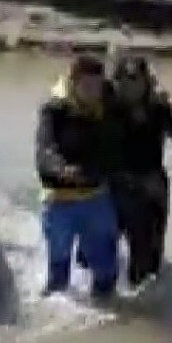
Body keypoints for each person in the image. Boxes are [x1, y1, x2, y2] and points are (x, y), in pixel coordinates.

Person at [100, 55, 172, 290]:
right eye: (124, 81)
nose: (131, 87)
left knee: (148, 271)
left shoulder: (158, 108)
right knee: (94, 259)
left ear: (147, 82)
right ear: (114, 82)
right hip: (111, 187)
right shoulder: (101, 107)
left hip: (150, 189)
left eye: (136, 81)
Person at [36, 55, 121, 298]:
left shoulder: (109, 106)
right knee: (58, 280)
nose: (94, 92)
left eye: (97, 85)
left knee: (106, 275)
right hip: (59, 199)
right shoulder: (54, 111)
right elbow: (44, 151)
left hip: (97, 197)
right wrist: (62, 169)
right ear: (73, 83)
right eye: (87, 86)